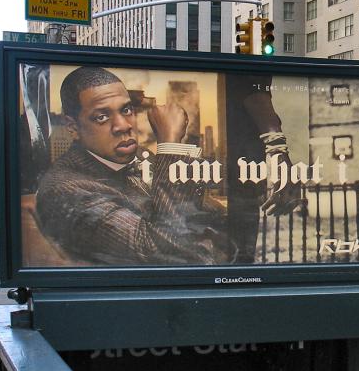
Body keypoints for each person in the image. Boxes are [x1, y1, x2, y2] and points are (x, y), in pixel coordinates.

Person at [36, 66, 229, 266]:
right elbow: (161, 251)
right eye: (101, 117)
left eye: (126, 110)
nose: (123, 125)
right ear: (73, 127)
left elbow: (211, 214)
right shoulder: (64, 190)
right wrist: (170, 142)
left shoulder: (138, 156)